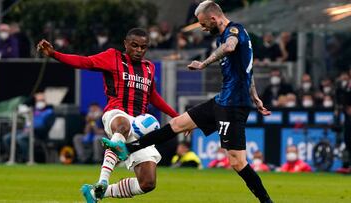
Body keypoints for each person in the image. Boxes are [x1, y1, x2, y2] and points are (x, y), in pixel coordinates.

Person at [102, 1, 273, 202]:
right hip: (222, 100)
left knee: (237, 162)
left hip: (233, 106)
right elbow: (247, 69)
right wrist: (255, 96)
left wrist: (203, 63)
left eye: (203, 23)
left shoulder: (233, 31)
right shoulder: (226, 36)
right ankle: (128, 149)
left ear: (213, 18)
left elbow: (229, 47)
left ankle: (266, 201)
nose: (202, 27)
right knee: (177, 124)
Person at [37, 28, 179, 202]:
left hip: (139, 126)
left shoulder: (149, 67)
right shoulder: (113, 57)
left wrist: (176, 116)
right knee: (123, 125)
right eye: (135, 46)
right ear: (126, 44)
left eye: (143, 47)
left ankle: (98, 192)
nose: (139, 50)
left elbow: (153, 96)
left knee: (148, 183)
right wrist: (54, 54)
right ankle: (103, 179)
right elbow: (84, 62)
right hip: (116, 113)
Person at [2, 92, 55, 162]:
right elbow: (24, 104)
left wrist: (32, 130)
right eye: (38, 100)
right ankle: (15, 158)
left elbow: (46, 127)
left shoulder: (49, 112)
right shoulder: (33, 110)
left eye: (42, 100)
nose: (40, 102)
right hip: (25, 131)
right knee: (7, 138)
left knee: (20, 138)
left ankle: (26, 159)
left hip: (37, 133)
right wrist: (33, 97)